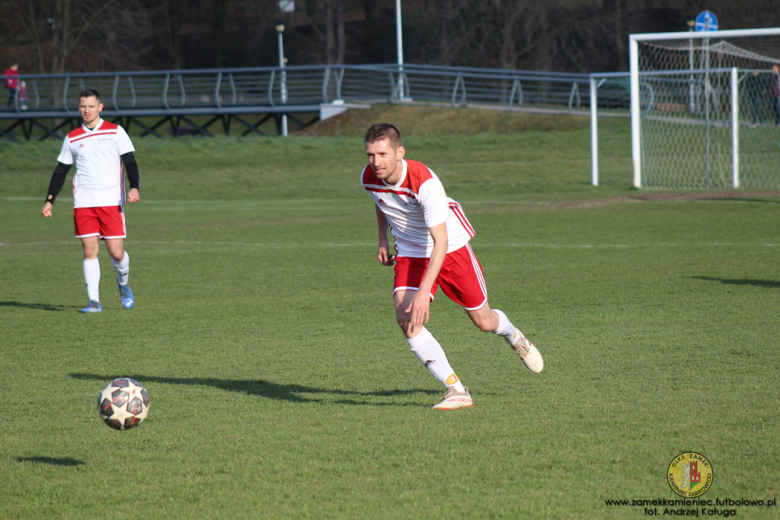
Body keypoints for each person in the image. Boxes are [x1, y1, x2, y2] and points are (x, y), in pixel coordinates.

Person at [360, 123, 544, 410]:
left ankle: (512, 334)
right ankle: (456, 389)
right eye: (370, 154)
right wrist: (382, 238)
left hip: (450, 246)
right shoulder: (369, 177)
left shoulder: (424, 182)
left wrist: (424, 292)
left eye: (382, 154)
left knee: (483, 321)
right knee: (406, 318)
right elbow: (381, 200)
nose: (376, 162)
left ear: (400, 152)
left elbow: (440, 242)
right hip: (410, 251)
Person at [41, 89, 140, 313]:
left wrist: (134, 188)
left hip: (111, 201)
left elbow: (130, 162)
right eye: (83, 106)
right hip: (84, 202)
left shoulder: (116, 131)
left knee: (116, 253)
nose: (87, 110)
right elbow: (60, 171)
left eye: (91, 106)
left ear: (100, 107)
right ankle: (94, 301)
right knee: (89, 250)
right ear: (79, 108)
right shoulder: (72, 137)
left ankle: (123, 283)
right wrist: (49, 201)